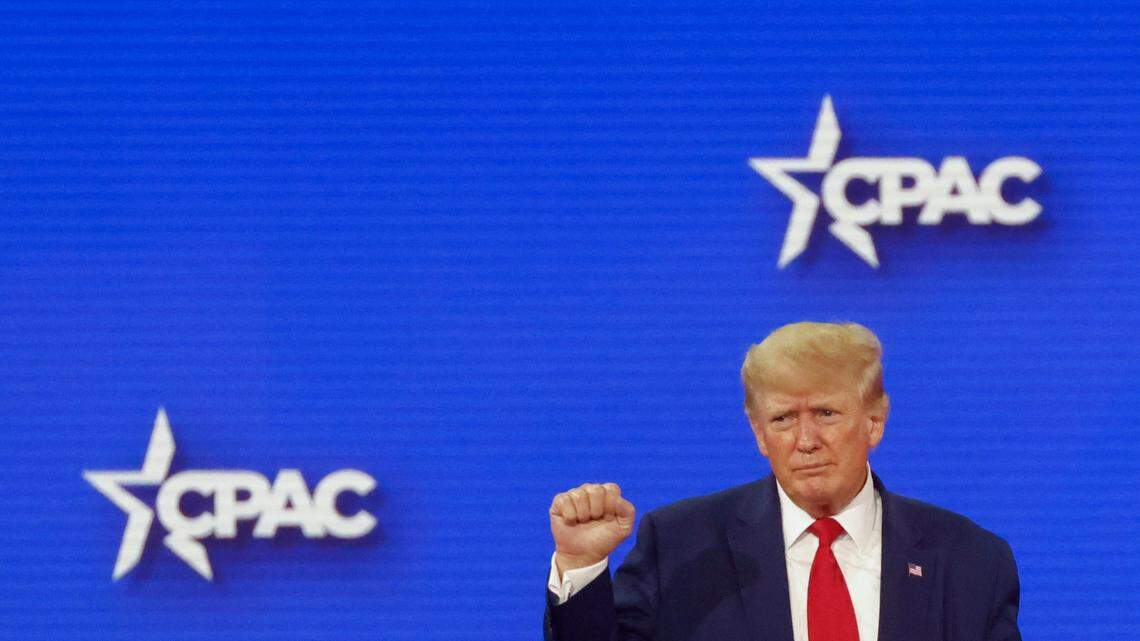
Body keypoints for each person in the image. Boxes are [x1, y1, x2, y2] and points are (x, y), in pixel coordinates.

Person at [544, 321, 1020, 641]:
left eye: (826, 413)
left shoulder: (970, 561)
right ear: (759, 434)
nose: (806, 440)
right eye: (783, 419)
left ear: (875, 421)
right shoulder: (682, 546)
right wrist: (581, 565)